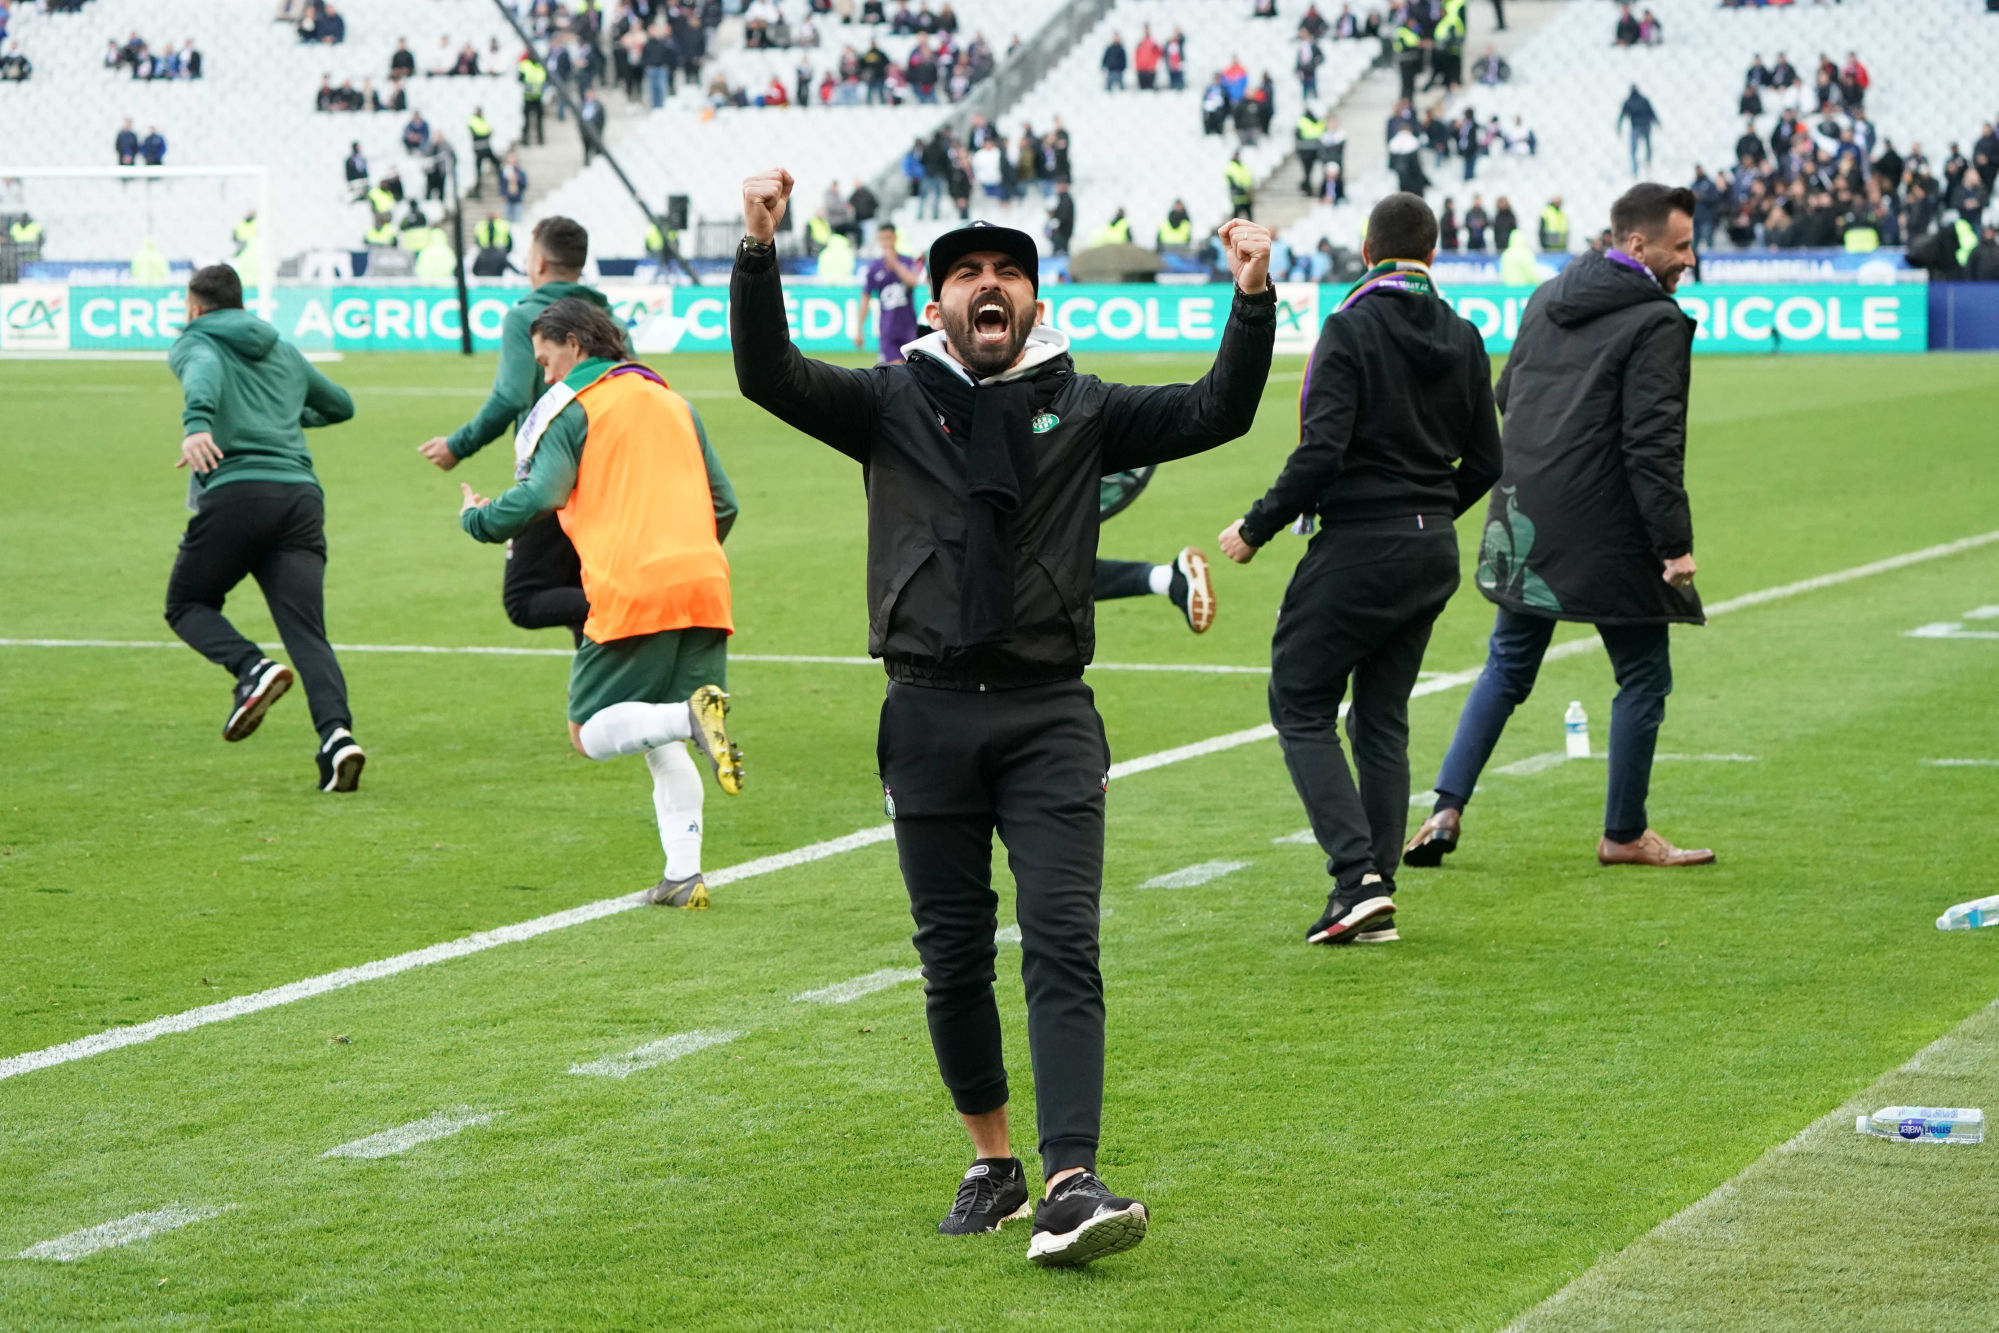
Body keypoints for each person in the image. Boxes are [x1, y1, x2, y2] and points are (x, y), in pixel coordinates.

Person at [730, 170, 1276, 1266]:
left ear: (1034, 301)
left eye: (1007, 273)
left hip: (1048, 717)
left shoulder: (1086, 406)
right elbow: (766, 374)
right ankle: (994, 1160)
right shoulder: (890, 400)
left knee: (1064, 942)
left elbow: (1219, 410)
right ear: (935, 306)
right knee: (951, 957)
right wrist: (755, 247)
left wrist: (1251, 300)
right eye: (967, 273)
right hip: (923, 713)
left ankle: (1073, 1176)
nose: (988, 285)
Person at [1218, 192, 1500, 945]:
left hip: (1360, 542)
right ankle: (1374, 889)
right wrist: (1432, 507)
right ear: (1432, 256)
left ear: (1366, 251)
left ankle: (1356, 878)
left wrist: (1256, 525)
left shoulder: (1349, 325)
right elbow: (1488, 460)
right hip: (1428, 547)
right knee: (1381, 717)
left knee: (1300, 703)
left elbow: (1321, 450)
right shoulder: (1465, 334)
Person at [1407, 184, 1712, 873]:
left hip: (1525, 514)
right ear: (1638, 244)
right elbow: (1650, 444)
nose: (1690, 258)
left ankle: (1444, 806)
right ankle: (1624, 832)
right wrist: (1673, 545)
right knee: (1642, 674)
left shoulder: (1547, 296)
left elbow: (1505, 396)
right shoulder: (1656, 322)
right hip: (1608, 525)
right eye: (1682, 244)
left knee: (1507, 666)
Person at [460, 298, 741, 907]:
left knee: (590, 731)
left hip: (632, 586)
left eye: (547, 359)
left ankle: (689, 718)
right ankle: (683, 875)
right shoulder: (673, 401)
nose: (546, 375)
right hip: (703, 582)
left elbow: (542, 493)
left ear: (574, 343)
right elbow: (726, 504)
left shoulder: (573, 408)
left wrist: (479, 519)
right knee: (654, 736)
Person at [163, 265, 365, 792]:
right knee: (307, 633)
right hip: (300, 499)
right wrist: (280, 420)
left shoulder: (195, 340)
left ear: (195, 306)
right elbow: (340, 405)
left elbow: (203, 369)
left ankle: (251, 669)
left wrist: (197, 425)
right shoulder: (283, 349)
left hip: (239, 493)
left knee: (186, 605)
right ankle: (338, 738)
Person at [417, 217, 628, 641]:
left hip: (554, 476)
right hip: (611, 478)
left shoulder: (527, 318)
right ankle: (603, 702)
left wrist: (458, 445)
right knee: (585, 605)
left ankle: (633, 605)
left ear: (539, 262)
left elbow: (511, 396)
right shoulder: (608, 319)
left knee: (527, 598)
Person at [855, 221, 924, 363]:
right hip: (887, 329)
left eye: (888, 238)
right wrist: (859, 329)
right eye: (882, 238)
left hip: (908, 328)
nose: (885, 242)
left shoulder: (906, 261)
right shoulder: (874, 267)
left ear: (895, 238)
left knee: (912, 371)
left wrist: (895, 264)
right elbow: (865, 298)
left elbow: (913, 281)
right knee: (893, 371)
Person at [1618, 84, 1658, 175]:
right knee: (1647, 146)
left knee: (1633, 150)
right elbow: (1652, 112)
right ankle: (1648, 161)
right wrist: (1657, 122)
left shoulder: (1629, 101)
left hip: (1636, 127)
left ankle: (1635, 169)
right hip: (1646, 126)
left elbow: (1622, 115)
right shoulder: (1644, 100)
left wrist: (1619, 126)